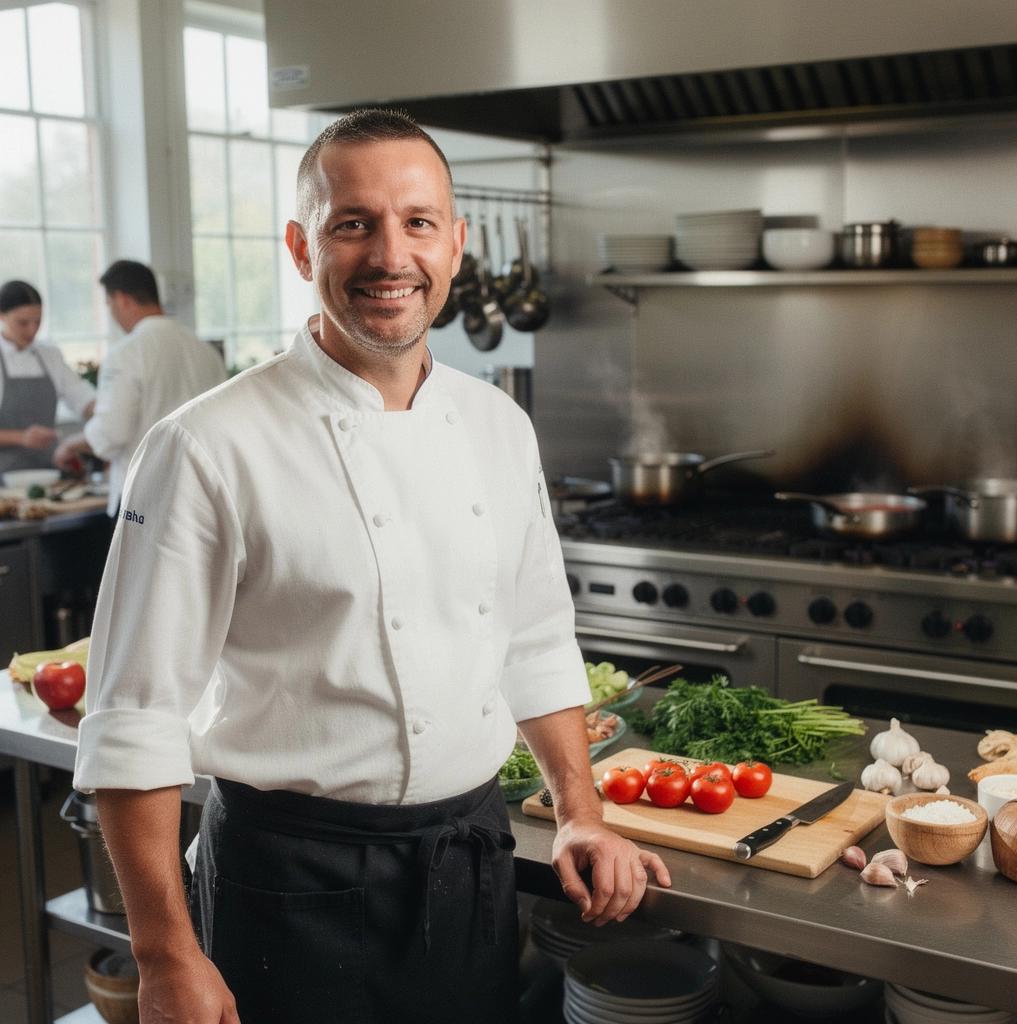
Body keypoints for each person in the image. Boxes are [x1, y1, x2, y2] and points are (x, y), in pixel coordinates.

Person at [73, 109, 671, 1024]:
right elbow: (133, 719)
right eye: (353, 223)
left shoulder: (498, 427)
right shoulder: (205, 446)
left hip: (468, 869)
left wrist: (580, 810)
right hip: (287, 887)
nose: (392, 254)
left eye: (418, 222)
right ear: (300, 247)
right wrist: (163, 956)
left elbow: (538, 642)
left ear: (457, 244)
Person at [54, 260, 227, 514]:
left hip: (145, 499)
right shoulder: (206, 351)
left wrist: (71, 444)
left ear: (122, 299)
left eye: (109, 305)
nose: (112, 314)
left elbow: (112, 433)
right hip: (200, 497)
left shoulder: (126, 353)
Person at [0, 280, 95, 475]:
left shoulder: (50, 355)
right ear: (1, 315)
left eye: (38, 321)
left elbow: (83, 399)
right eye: (23, 323)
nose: (32, 330)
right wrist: (21, 437)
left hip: (50, 471)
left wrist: (110, 418)